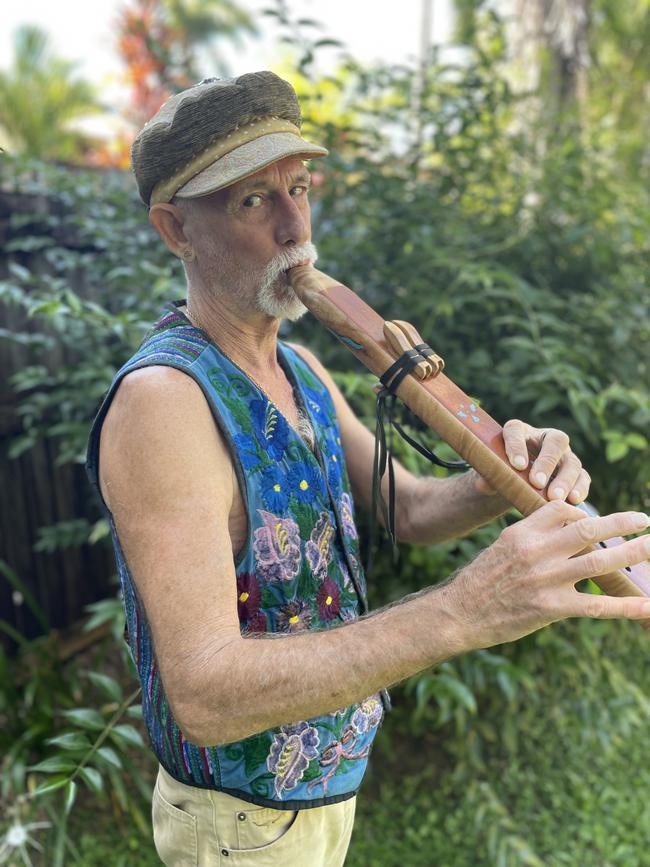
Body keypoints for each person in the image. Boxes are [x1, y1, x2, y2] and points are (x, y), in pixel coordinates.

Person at [84, 71, 650, 867]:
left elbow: (409, 508)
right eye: (253, 201)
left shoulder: (303, 369)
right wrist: (468, 608)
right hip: (239, 823)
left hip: (319, 795)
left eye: (299, 188)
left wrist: (495, 483)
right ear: (176, 228)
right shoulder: (164, 403)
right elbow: (205, 696)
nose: (294, 228)